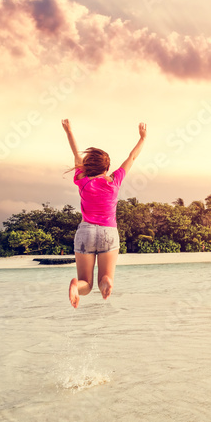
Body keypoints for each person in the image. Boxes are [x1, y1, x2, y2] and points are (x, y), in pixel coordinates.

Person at [62, 119, 146, 307]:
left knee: (87, 284)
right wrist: (142, 138)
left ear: (88, 167)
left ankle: (76, 287)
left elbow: (76, 155)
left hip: (85, 233)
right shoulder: (114, 181)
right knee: (104, 279)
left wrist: (69, 131)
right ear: (107, 168)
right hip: (108, 232)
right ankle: (107, 283)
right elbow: (131, 157)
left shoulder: (83, 180)